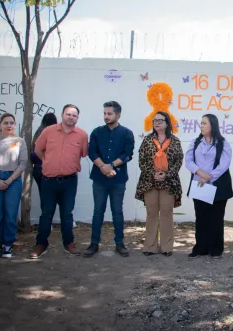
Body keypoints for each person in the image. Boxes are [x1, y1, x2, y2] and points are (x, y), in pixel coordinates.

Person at [30, 104, 88, 259]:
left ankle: (69, 243)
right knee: (46, 213)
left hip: (69, 181)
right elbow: (37, 149)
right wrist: (47, 161)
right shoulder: (48, 131)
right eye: (68, 114)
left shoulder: (82, 135)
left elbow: (83, 153)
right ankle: (41, 244)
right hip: (48, 180)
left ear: (78, 118)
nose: (71, 117)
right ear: (62, 115)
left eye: (74, 115)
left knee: (67, 214)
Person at [83, 101, 135, 258]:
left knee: (117, 211)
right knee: (98, 211)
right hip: (99, 179)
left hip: (118, 179)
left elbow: (128, 154)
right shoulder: (97, 132)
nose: (106, 116)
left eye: (109, 114)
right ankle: (94, 244)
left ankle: (119, 243)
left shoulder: (127, 133)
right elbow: (92, 152)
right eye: (105, 113)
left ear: (118, 115)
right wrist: (103, 167)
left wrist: (111, 165)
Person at [135, 111, 183, 257]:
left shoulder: (175, 141)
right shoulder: (147, 140)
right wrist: (153, 173)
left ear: (167, 123)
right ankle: (150, 246)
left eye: (160, 120)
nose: (157, 123)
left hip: (169, 182)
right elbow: (142, 161)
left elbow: (178, 161)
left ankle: (167, 247)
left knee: (167, 214)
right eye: (155, 120)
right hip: (150, 182)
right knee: (152, 214)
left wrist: (166, 174)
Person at [185, 114, 233, 259]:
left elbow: (224, 164)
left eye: (204, 123)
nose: (201, 125)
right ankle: (201, 248)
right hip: (199, 184)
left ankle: (216, 249)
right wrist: (200, 173)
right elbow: (188, 160)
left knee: (216, 218)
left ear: (212, 125)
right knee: (201, 217)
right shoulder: (196, 142)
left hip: (217, 185)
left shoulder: (223, 143)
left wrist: (209, 177)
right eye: (201, 123)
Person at [0, 113, 28, 258]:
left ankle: (8, 244)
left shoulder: (20, 142)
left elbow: (22, 163)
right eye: (6, 123)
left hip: (13, 180)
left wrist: (9, 181)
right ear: (0, 125)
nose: (9, 125)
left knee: (10, 213)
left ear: (15, 125)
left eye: (11, 123)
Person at [32, 113, 58, 192]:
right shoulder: (54, 133)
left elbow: (33, 148)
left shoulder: (38, 131)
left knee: (44, 194)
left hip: (37, 167)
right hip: (49, 167)